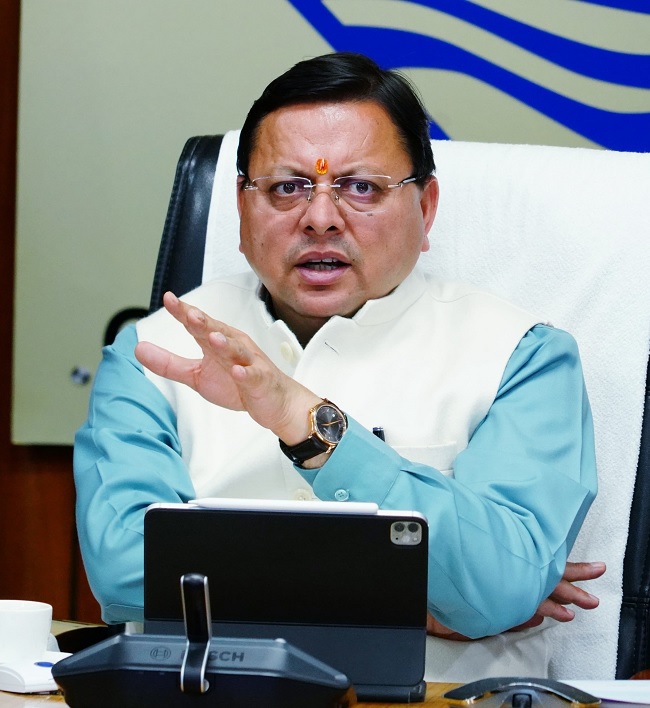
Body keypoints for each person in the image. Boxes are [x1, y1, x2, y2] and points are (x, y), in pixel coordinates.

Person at [74, 52, 603, 681]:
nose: (321, 218)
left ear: (426, 207)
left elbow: (500, 586)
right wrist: (410, 599)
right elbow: (125, 575)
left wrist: (306, 423)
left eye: (361, 187)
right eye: (287, 187)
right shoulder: (154, 352)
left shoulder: (523, 355)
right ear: (241, 207)